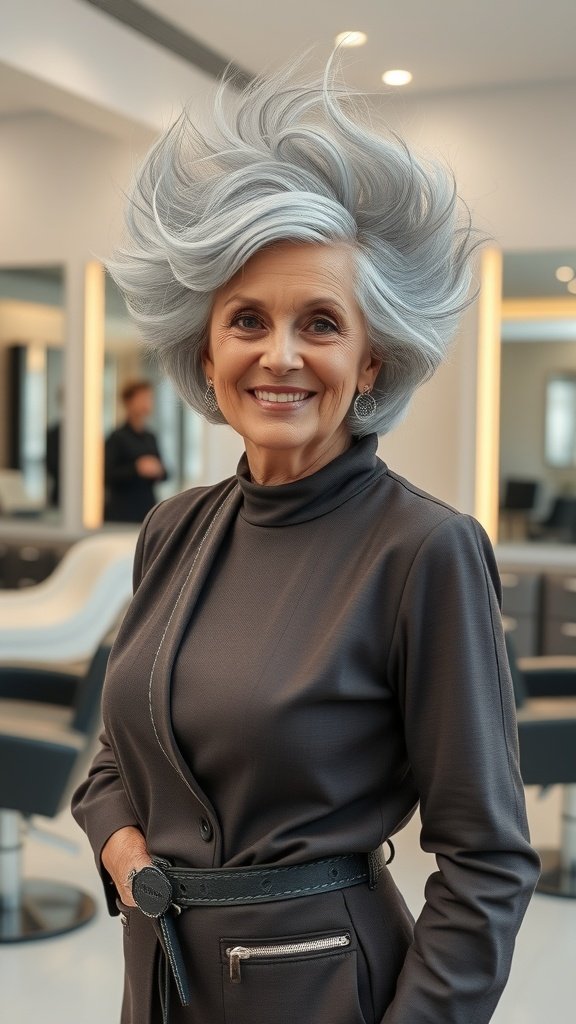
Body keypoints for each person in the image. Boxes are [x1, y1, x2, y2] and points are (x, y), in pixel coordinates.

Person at [72, 54, 540, 1024]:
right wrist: (122, 847)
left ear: (371, 356)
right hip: (156, 983)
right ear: (208, 348)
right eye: (249, 318)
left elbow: (488, 861)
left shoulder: (426, 550)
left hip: (326, 991)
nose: (280, 353)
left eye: (319, 322)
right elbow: (118, 755)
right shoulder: (176, 527)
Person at [104, 379, 167, 523]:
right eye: (142, 398)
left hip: (147, 509)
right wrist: (136, 468)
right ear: (128, 402)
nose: (147, 402)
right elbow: (107, 475)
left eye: (149, 398)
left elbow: (165, 474)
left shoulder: (150, 437)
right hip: (122, 511)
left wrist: (158, 470)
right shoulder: (116, 437)